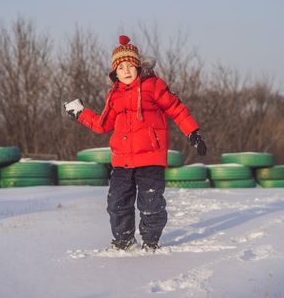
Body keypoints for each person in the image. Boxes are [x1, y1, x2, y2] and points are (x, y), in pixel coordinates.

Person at [63, 35, 206, 252]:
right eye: (121, 68)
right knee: (117, 203)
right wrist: (81, 113)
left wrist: (192, 132)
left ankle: (150, 242)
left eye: (130, 65)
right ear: (115, 72)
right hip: (122, 161)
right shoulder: (114, 96)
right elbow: (103, 125)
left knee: (151, 203)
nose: (126, 71)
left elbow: (176, 108)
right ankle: (124, 241)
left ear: (138, 66)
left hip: (150, 158)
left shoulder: (154, 86)